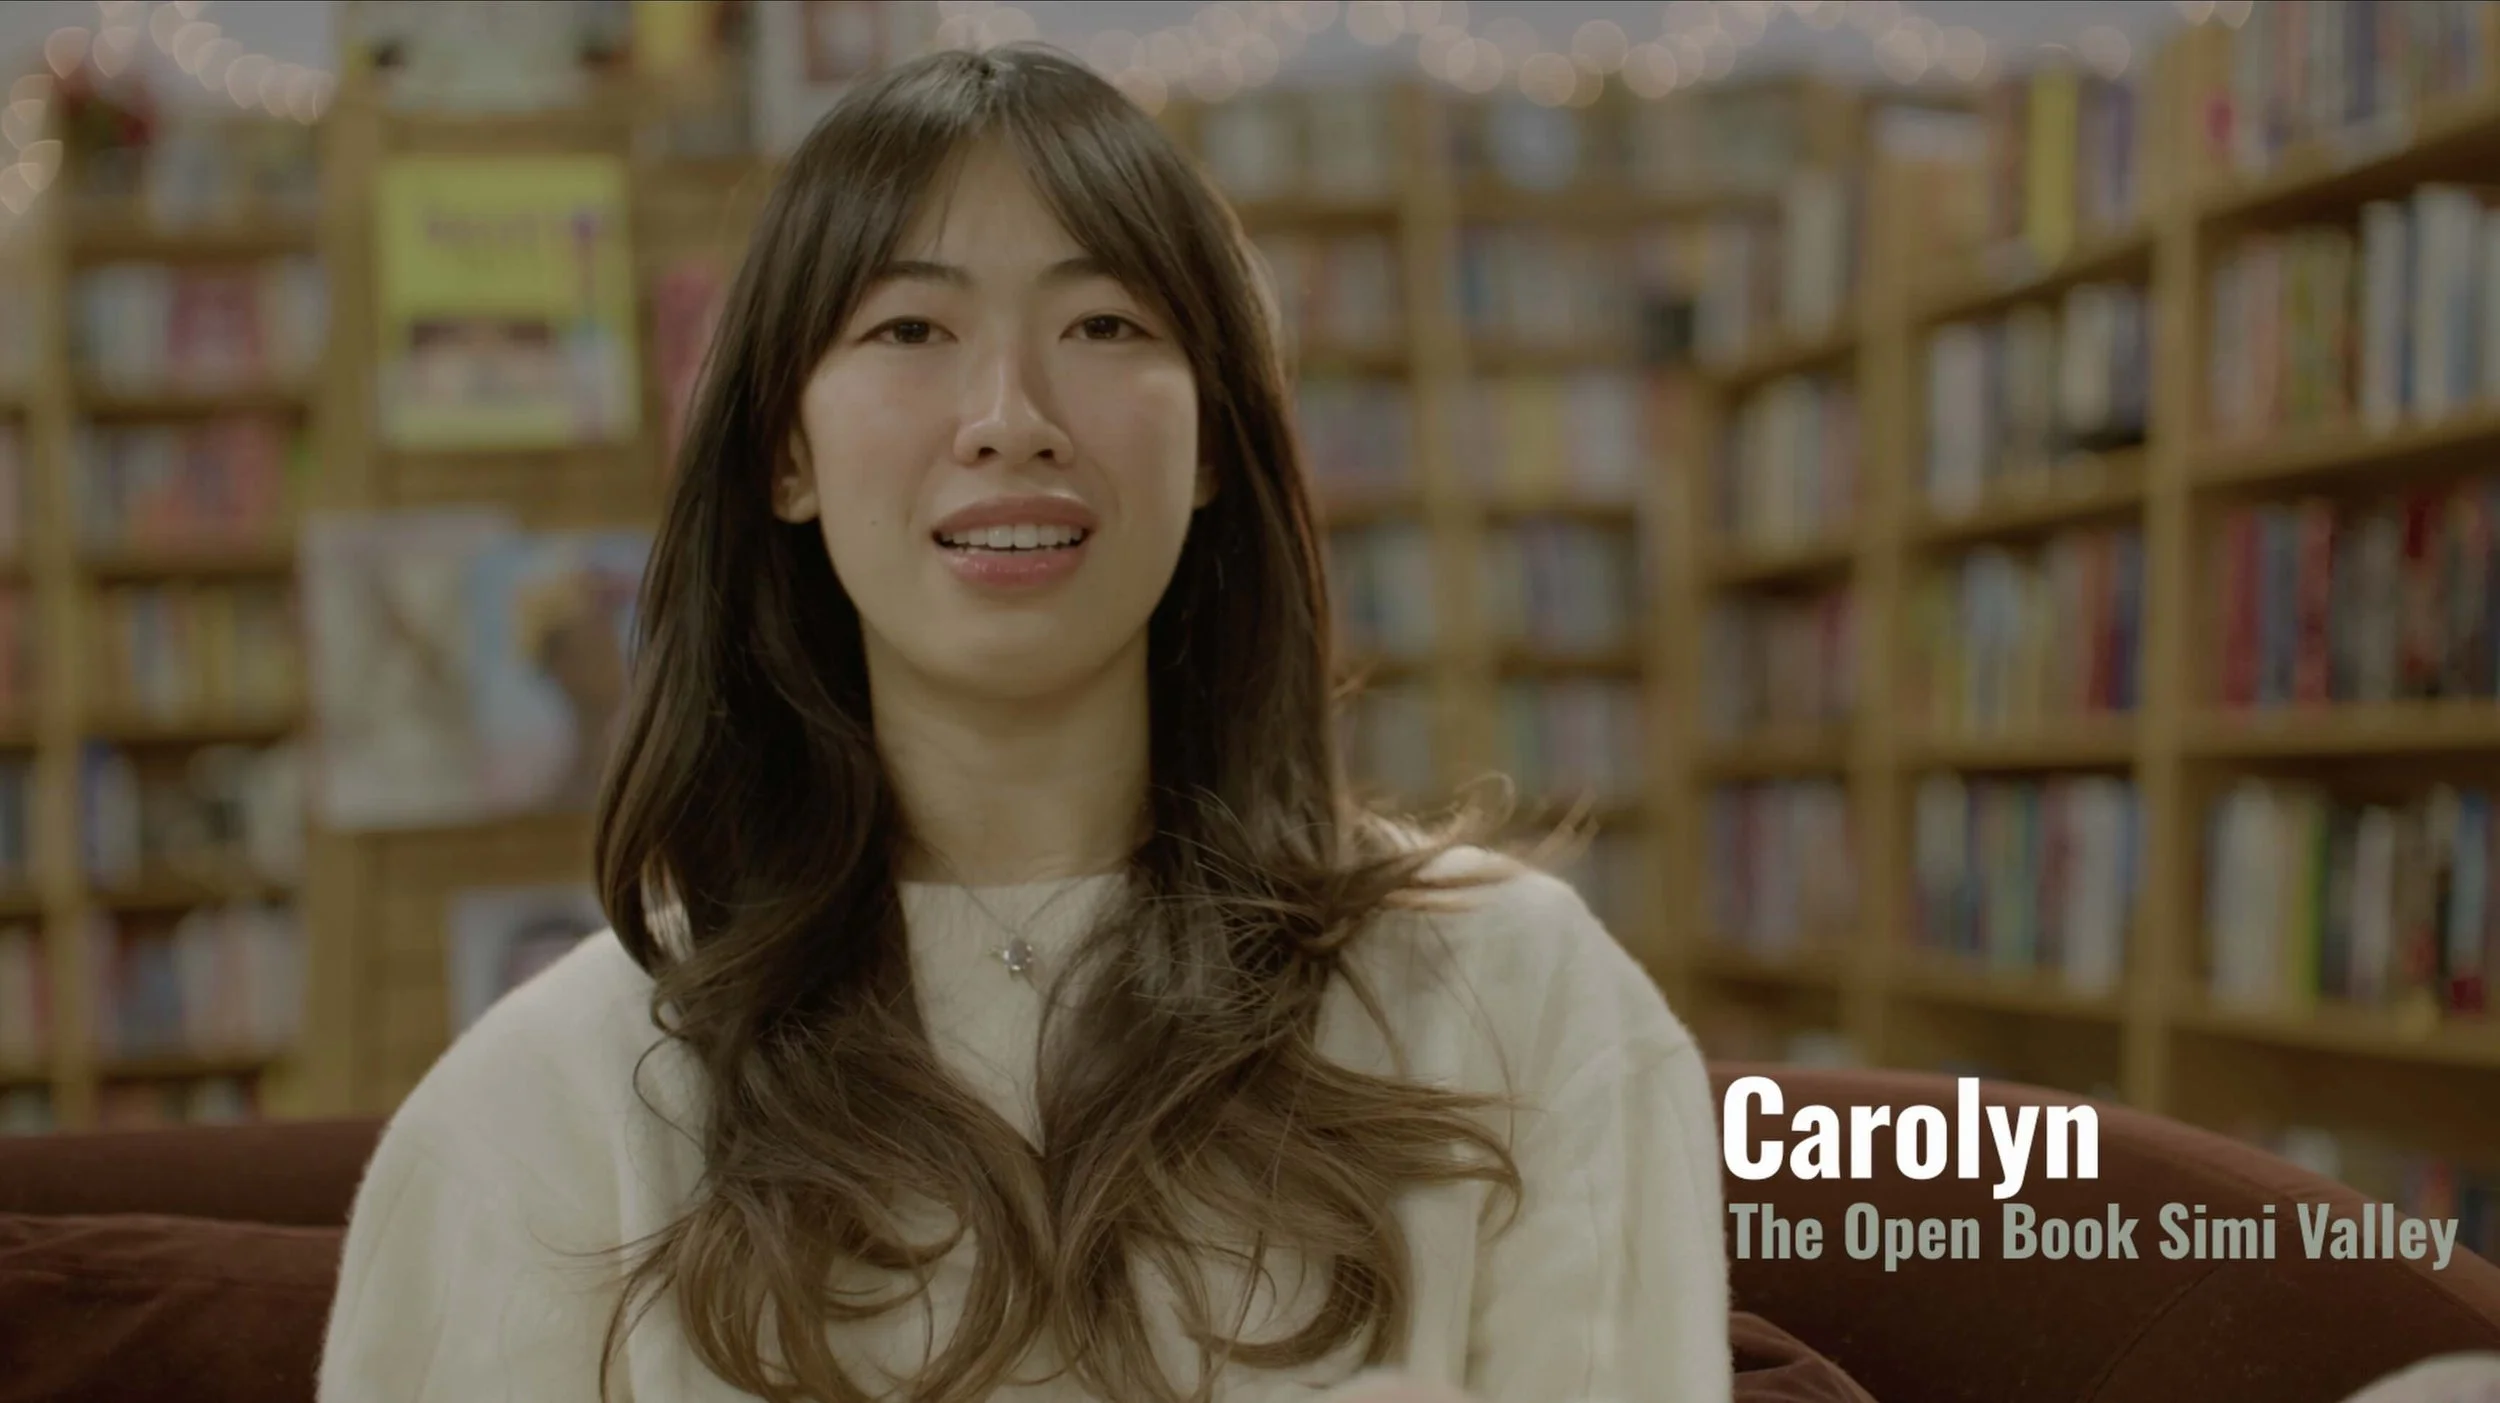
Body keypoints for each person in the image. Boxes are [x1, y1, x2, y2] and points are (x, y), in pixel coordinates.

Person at [317, 43, 1731, 1403]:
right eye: (910, 329)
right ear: (786, 454)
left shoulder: (1518, 1001)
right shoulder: (548, 1104)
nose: (1010, 417)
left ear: (1214, 447)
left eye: (1106, 324)